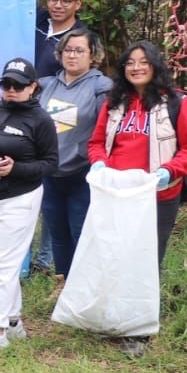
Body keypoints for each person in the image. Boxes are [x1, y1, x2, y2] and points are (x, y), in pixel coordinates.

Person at [88, 40, 187, 353]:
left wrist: (167, 172)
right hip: (116, 192)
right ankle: (112, 317)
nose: (136, 68)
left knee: (146, 259)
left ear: (155, 66)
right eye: (130, 62)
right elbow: (97, 142)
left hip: (157, 195)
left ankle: (137, 331)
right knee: (115, 255)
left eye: (143, 62)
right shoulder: (115, 102)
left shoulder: (177, 103)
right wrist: (99, 163)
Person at [0, 57, 59, 352]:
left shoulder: (41, 121)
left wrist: (14, 169)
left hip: (20, 198)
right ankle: (14, 321)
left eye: (18, 85)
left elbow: (50, 163)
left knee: (4, 265)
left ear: (33, 87)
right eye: (6, 84)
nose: (11, 89)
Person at [38, 29, 113, 281]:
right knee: (58, 233)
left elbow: (109, 130)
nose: (72, 55)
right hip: (50, 173)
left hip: (83, 173)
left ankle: (85, 286)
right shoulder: (47, 85)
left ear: (93, 55)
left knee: (81, 232)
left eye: (80, 50)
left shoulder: (101, 87)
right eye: (68, 50)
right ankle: (63, 282)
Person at [34, 0, 86, 80]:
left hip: (51, 94)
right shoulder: (35, 19)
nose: (58, 5)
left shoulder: (80, 39)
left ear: (77, 4)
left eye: (65, 1)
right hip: (14, 90)